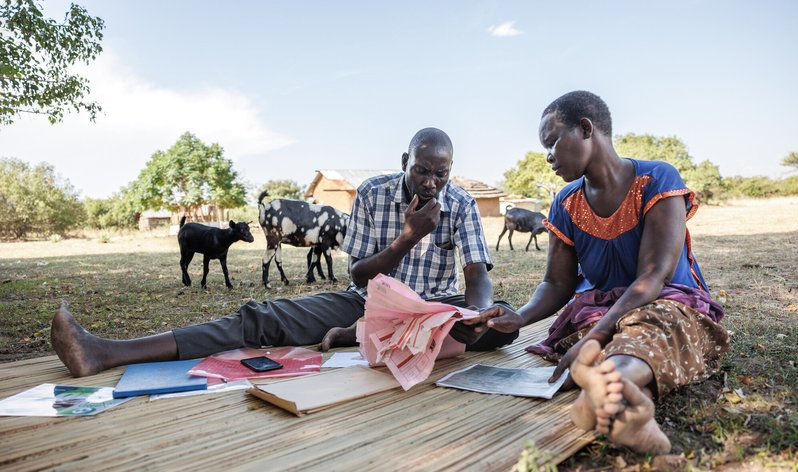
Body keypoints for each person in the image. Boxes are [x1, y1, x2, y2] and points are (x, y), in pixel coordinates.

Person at [51, 128, 519, 377]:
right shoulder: (373, 194)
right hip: (371, 302)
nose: (432, 182)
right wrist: (406, 239)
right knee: (261, 318)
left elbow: (476, 274)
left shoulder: (458, 203)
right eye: (422, 171)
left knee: (504, 321)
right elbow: (358, 276)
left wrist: (476, 315)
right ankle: (105, 353)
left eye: (442, 173)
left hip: (435, 313)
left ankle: (364, 337)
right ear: (405, 163)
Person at [464, 92, 730, 455]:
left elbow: (653, 277)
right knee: (602, 338)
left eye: (553, 142)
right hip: (600, 314)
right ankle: (623, 403)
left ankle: (607, 384)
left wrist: (595, 338)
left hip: (665, 302)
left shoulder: (657, 179)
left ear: (586, 129)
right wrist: (521, 317)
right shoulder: (565, 202)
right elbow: (557, 283)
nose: (548, 156)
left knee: (651, 329)